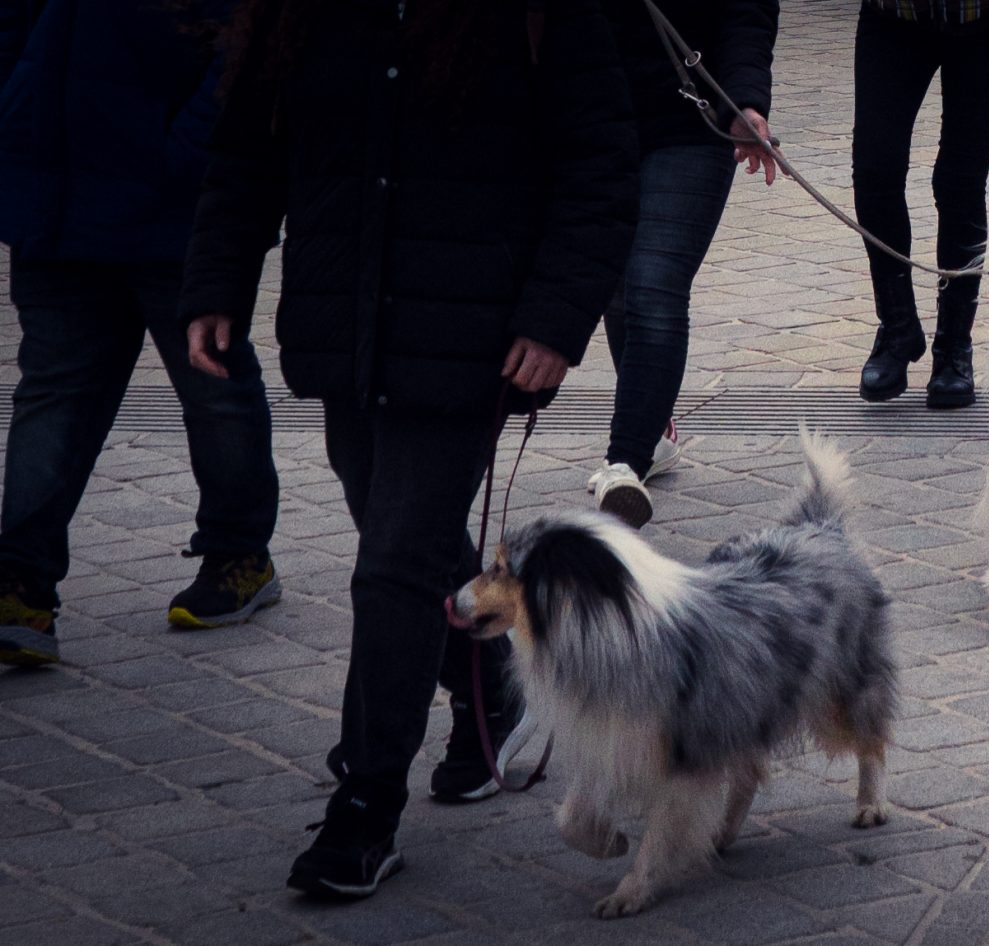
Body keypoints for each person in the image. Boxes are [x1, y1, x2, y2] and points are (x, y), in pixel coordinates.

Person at [183, 0, 635, 897]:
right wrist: (218, 278)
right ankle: (492, 677)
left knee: (391, 562)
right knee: (407, 539)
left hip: (472, 335)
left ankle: (365, 806)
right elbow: (248, 149)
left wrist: (554, 317)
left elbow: (600, 165)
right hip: (346, 326)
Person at [0, 0, 283, 668]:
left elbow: (247, 39)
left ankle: (238, 554)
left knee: (214, 384)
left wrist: (186, 152)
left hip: (171, 201)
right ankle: (20, 583)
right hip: (56, 193)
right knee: (53, 394)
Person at [586, 0, 780, 528]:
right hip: (590, 119)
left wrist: (745, 101)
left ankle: (624, 464)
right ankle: (651, 428)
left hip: (691, 120)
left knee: (654, 285)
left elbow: (746, 11)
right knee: (617, 287)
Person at [852, 0, 989, 410]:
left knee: (960, 182)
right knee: (875, 171)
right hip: (893, 19)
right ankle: (897, 328)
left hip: (987, 21)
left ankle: (953, 346)